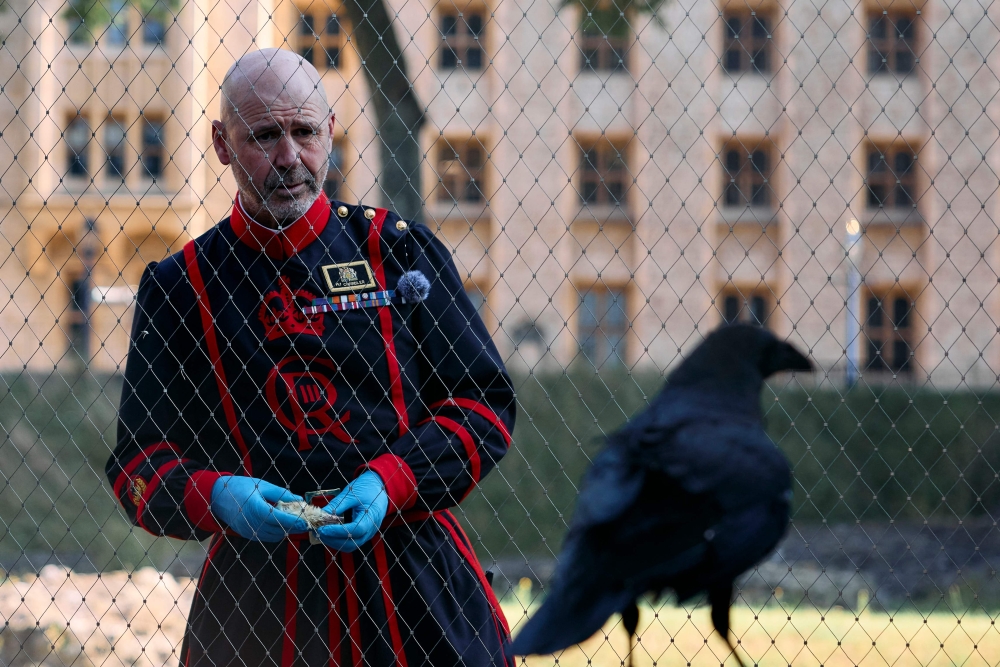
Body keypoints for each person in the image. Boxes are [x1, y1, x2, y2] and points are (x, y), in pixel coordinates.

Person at [106, 47, 516, 667]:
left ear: (330, 131)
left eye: (303, 132)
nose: (289, 158)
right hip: (253, 610)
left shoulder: (400, 254)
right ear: (221, 142)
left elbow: (485, 407)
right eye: (264, 137)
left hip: (417, 592)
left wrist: (393, 480)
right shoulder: (178, 287)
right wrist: (217, 496)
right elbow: (138, 464)